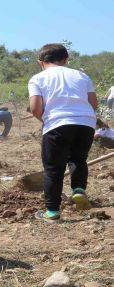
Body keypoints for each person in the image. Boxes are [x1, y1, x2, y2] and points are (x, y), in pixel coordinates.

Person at [28, 43, 98, 221]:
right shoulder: (82, 76)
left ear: (40, 62)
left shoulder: (38, 78)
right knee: (78, 159)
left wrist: (48, 121)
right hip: (86, 124)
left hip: (58, 123)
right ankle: (78, 189)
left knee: (53, 168)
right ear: (66, 60)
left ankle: (52, 211)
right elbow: (93, 104)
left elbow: (35, 108)